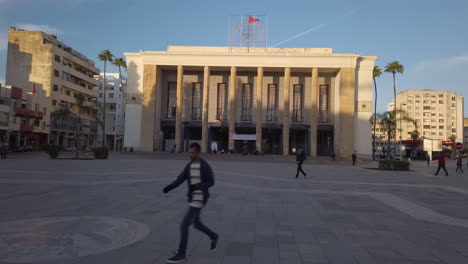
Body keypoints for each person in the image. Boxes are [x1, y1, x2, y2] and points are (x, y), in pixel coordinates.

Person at [162, 142, 219, 263]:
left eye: (192, 153)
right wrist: (169, 187)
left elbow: (211, 181)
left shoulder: (204, 166)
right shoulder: (189, 166)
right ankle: (214, 236)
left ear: (198, 153)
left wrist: (197, 186)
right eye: (189, 152)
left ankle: (181, 253)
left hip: (200, 198)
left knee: (184, 225)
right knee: (196, 224)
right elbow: (180, 179)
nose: (190, 155)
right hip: (193, 198)